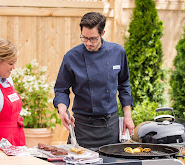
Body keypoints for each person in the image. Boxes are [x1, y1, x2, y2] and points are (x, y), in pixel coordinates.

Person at [53, 12, 135, 149]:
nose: (88, 43)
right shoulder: (71, 57)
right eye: (84, 38)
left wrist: (128, 116)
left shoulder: (117, 52)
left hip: (110, 125)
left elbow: (124, 84)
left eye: (93, 39)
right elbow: (61, 89)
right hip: (82, 126)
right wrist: (62, 110)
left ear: (103, 33)